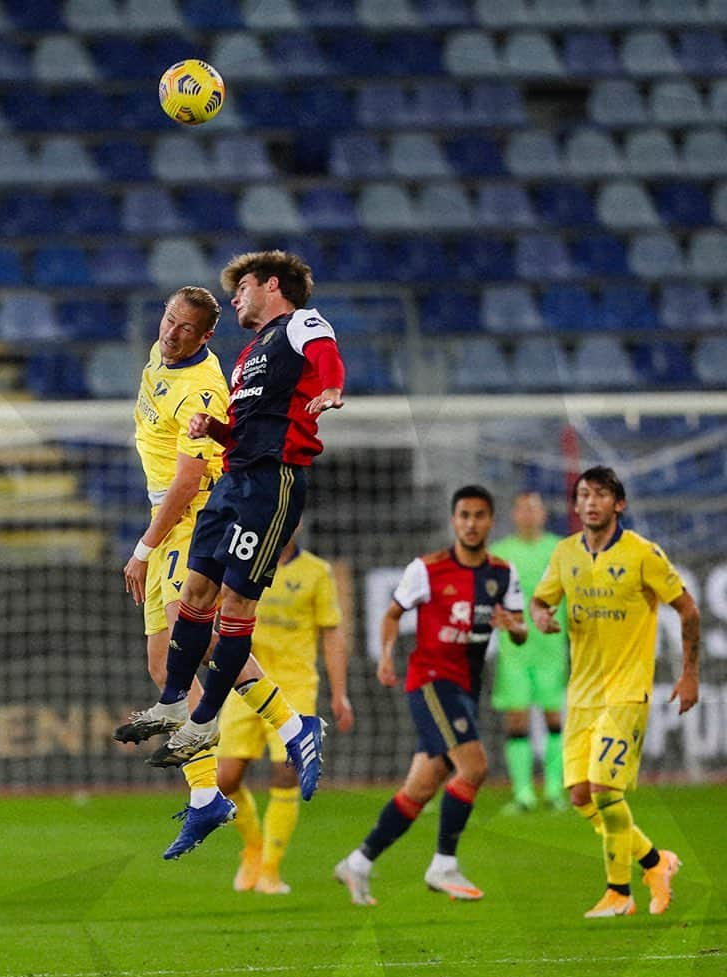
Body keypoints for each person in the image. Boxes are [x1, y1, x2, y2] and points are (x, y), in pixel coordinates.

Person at [115, 249, 346, 848]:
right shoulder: (212, 357)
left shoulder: (211, 380)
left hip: (189, 514)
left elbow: (190, 478)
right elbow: (233, 431)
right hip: (195, 500)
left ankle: (276, 739)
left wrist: (144, 547)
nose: (170, 333)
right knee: (170, 658)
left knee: (200, 639)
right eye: (168, 320)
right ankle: (214, 789)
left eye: (185, 328)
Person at [335, 485, 526, 906]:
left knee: (419, 789)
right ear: (453, 520)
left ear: (491, 521)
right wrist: (386, 656)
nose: (472, 523)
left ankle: (359, 862)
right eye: (464, 515)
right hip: (431, 681)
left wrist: (511, 627)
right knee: (474, 767)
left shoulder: (502, 574)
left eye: (479, 515)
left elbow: (520, 631)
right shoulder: (427, 568)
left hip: (466, 689)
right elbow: (392, 614)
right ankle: (443, 864)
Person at [530, 466, 700, 919]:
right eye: (583, 494)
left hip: (626, 692)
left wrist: (689, 675)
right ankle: (655, 862)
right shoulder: (565, 553)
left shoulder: (643, 554)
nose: (590, 502)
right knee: (581, 797)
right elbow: (541, 600)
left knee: (605, 788)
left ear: (618, 504)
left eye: (600, 494)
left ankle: (618, 892)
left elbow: (687, 609)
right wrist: (541, 616)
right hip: (581, 694)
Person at [218, 525, 354, 895]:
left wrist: (340, 693)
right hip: (246, 682)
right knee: (224, 781)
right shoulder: (244, 564)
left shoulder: (316, 572)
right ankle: (254, 847)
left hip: (295, 688)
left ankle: (270, 871)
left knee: (285, 774)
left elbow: (332, 633)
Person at [490, 491, 567, 812]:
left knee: (553, 717)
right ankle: (522, 794)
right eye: (522, 509)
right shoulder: (499, 553)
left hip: (550, 649)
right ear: (514, 515)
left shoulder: (561, 550)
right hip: (515, 651)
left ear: (544, 514)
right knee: (517, 719)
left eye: (534, 508)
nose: (529, 514)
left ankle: (553, 791)